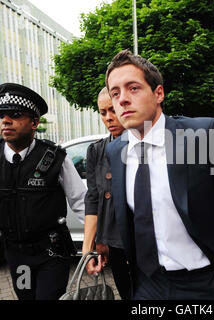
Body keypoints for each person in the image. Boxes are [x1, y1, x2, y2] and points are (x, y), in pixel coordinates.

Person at [105, 49, 214, 300]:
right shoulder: (116, 150)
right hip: (146, 285)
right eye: (115, 93)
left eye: (133, 88)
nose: (122, 99)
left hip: (203, 283)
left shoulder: (201, 136)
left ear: (158, 93)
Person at [0, 83, 86, 300]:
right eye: (2, 115)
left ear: (34, 123)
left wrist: (97, 240)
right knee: (26, 296)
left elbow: (80, 202)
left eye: (15, 114)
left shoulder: (54, 157)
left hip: (51, 253)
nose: (5, 120)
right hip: (17, 254)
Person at [83, 87, 131, 300]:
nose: (109, 118)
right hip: (115, 245)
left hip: (146, 244)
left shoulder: (143, 146)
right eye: (103, 112)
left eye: (113, 110)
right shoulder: (96, 150)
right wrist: (89, 248)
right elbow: (94, 199)